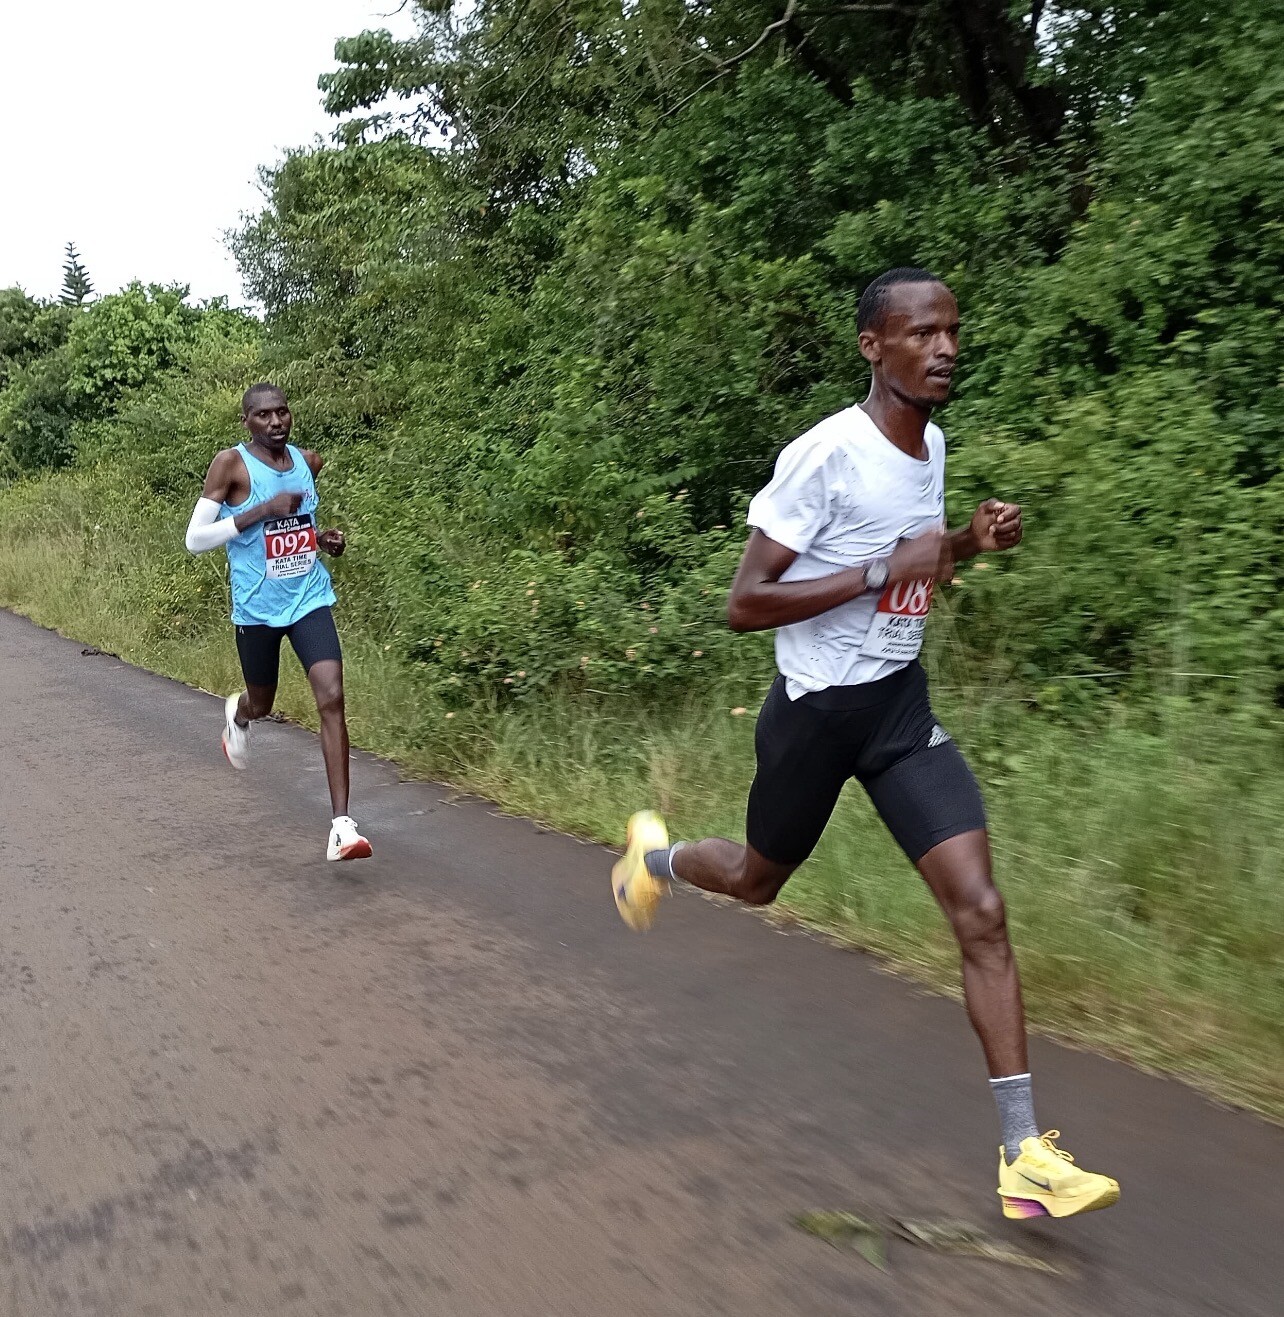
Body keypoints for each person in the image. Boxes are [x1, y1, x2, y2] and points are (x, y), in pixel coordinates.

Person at [611, 268, 1119, 1221]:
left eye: (952, 331)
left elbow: (917, 567)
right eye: (922, 333)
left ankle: (1023, 1156)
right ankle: (655, 860)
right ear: (873, 347)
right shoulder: (825, 456)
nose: (945, 348)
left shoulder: (932, 445)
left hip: (896, 711)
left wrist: (967, 543)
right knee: (757, 879)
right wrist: (880, 568)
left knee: (982, 910)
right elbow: (744, 603)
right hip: (814, 717)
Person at [184, 383, 371, 863]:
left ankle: (342, 827)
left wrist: (322, 540)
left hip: (308, 598)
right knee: (262, 703)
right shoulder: (231, 465)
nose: (275, 422)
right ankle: (240, 716)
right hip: (257, 610)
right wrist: (261, 510)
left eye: (282, 412)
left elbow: (299, 527)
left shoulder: (308, 463)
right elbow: (195, 540)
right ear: (246, 421)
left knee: (332, 696)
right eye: (264, 415)